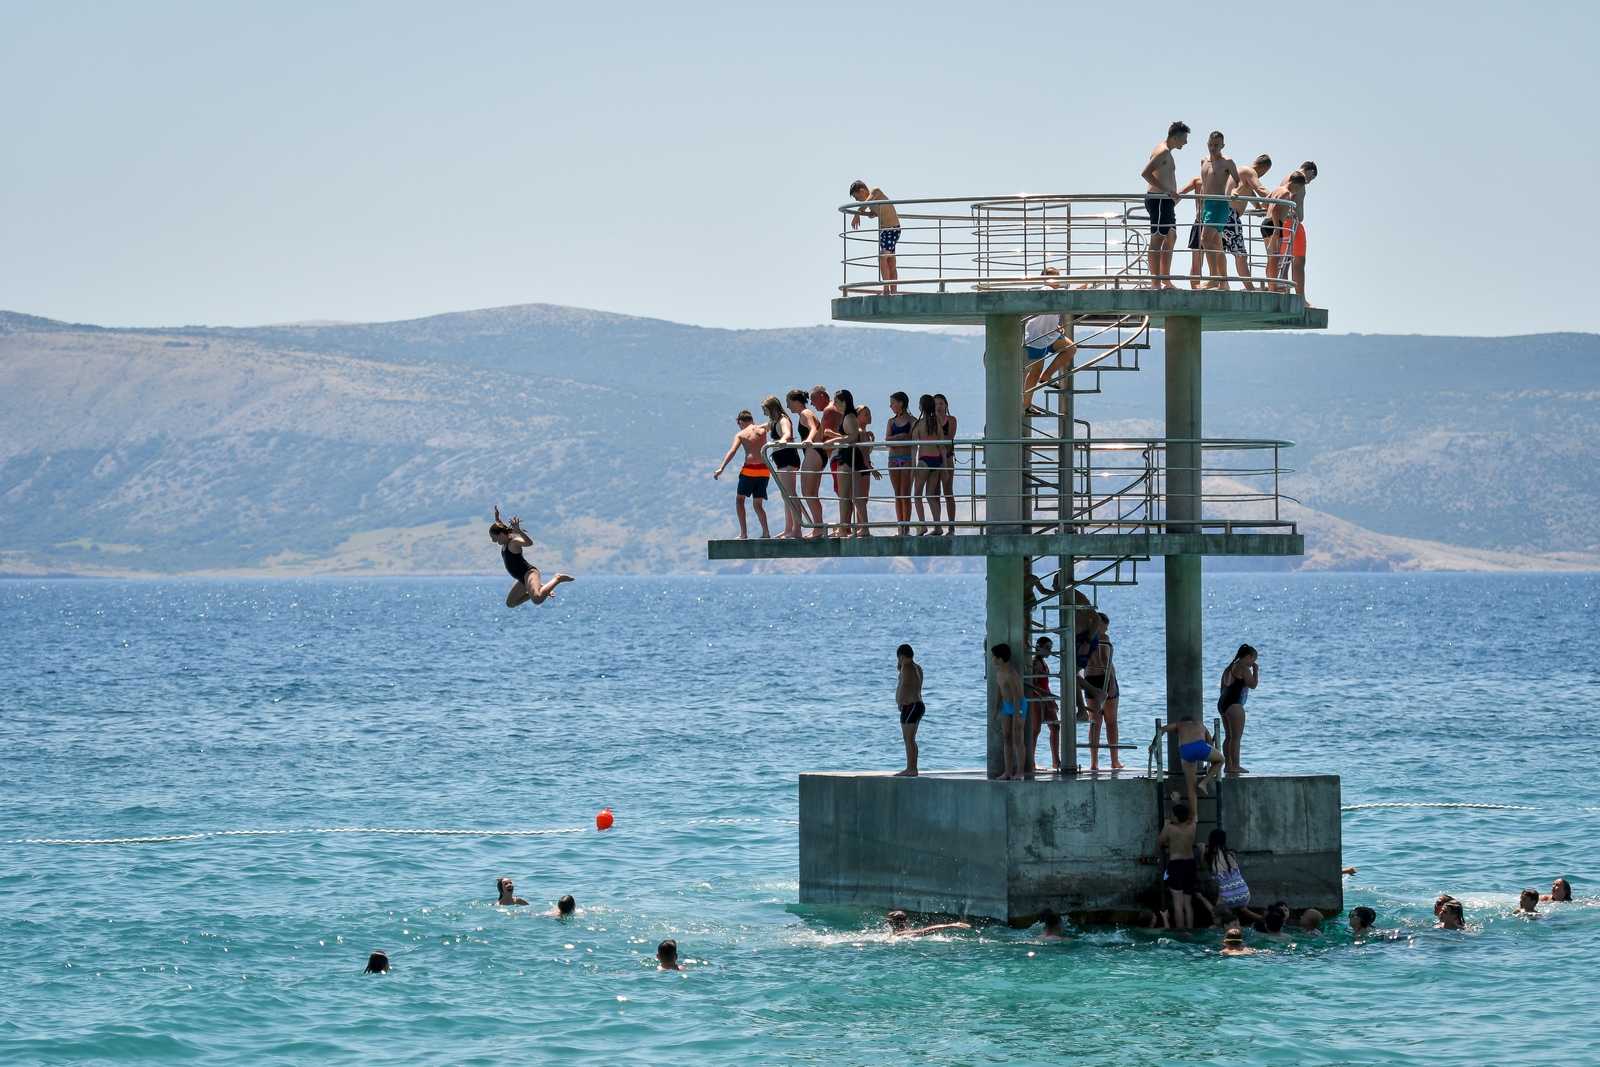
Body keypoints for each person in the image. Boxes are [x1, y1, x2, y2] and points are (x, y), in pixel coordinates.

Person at [489, 506, 574, 608]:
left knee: (537, 599)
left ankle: (557, 578)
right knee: (510, 603)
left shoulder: (513, 542)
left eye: (494, 538)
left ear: (501, 535)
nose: (493, 541)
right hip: (521, 578)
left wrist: (519, 531)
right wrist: (497, 520)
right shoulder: (504, 543)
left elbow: (529, 543)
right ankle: (540, 587)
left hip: (528, 574)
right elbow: (501, 529)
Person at [1140, 121, 1191, 289]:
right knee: (1158, 238)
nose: (1186, 142)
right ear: (1175, 137)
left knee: (1171, 236)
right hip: (1159, 200)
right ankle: (1156, 282)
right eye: (1184, 138)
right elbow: (1146, 173)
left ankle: (1165, 280)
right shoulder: (1162, 151)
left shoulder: (1167, 151)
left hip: (1165, 202)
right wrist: (1167, 191)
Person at [1022, 268, 1077, 414]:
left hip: (1050, 334)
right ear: (1046, 280)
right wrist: (1079, 290)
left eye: (1058, 277)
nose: (1058, 280)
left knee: (1070, 348)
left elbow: (1048, 314)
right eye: (1055, 278)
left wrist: (1056, 326)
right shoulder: (1046, 289)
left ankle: (1047, 376)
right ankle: (1026, 404)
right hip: (1037, 335)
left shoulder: (1052, 293)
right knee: (1035, 370)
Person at [712, 410, 773, 539]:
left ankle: (744, 534)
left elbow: (733, 450)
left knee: (740, 500)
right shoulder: (762, 428)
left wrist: (721, 468)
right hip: (765, 469)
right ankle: (766, 532)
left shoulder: (741, 434)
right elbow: (776, 421)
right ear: (752, 421)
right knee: (758, 504)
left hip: (750, 469)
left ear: (740, 422)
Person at [1159, 715, 1225, 814]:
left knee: (1191, 785)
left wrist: (1153, 744)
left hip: (1186, 750)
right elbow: (1211, 744)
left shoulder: (1179, 725)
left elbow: (1162, 729)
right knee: (1221, 760)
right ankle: (1204, 783)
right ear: (1193, 721)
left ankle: (1195, 816)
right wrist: (1211, 763)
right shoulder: (1200, 725)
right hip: (1201, 747)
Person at [1084, 612, 1124, 771]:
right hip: (1104, 678)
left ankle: (1094, 763)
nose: (1106, 630)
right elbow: (1107, 662)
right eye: (1105, 626)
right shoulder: (1104, 639)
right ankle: (1114, 761)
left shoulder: (1084, 639)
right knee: (1111, 722)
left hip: (1090, 680)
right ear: (1099, 624)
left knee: (1095, 723)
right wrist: (1112, 683)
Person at [1226, 153, 1273, 289]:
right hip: (1231, 216)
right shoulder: (1250, 172)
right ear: (1265, 169)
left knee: (1220, 252)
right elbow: (1261, 190)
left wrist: (1258, 207)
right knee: (1241, 254)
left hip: (1223, 214)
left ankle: (1221, 283)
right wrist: (1279, 200)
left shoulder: (1241, 171)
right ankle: (1250, 288)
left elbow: (1250, 193)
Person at [849, 180, 902, 294]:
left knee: (883, 257)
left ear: (862, 191)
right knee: (890, 261)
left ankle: (886, 290)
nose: (857, 201)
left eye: (857, 197)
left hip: (893, 229)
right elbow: (879, 209)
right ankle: (893, 291)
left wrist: (857, 214)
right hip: (884, 231)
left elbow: (865, 204)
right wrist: (874, 213)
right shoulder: (871, 203)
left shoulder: (875, 191)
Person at [763, 395, 803, 539]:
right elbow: (763, 427)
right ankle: (788, 529)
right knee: (785, 495)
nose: (764, 413)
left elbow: (787, 433)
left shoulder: (783, 419)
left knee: (791, 494)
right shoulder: (773, 421)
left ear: (772, 408)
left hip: (787, 459)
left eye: (765, 410)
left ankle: (797, 530)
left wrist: (784, 439)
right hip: (780, 461)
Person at [1218, 644, 1259, 776]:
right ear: (1247, 657)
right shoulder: (1242, 668)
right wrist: (1256, 671)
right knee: (1236, 736)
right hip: (1234, 704)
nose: (1254, 663)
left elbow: (1222, 689)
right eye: (1253, 660)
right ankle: (1235, 765)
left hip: (1223, 703)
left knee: (1229, 736)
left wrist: (1224, 704)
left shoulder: (1228, 669)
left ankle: (1228, 766)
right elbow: (1253, 685)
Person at [829, 389, 866, 537]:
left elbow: (852, 438)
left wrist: (834, 440)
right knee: (855, 495)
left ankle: (844, 529)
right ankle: (862, 527)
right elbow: (849, 435)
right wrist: (836, 436)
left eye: (836, 402)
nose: (834, 404)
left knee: (845, 495)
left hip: (848, 457)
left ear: (844, 402)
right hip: (851, 456)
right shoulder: (849, 417)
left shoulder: (850, 417)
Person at [989, 642, 1029, 780]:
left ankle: (1020, 772)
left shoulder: (1011, 673)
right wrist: (995, 709)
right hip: (1006, 706)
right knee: (1007, 737)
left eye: (993, 657)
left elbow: (1017, 696)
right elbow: (1000, 689)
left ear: (1000, 658)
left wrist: (1017, 716)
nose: (991, 659)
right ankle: (1007, 771)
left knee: (1017, 737)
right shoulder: (998, 671)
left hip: (1018, 706)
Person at [788, 389, 824, 537]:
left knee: (807, 492)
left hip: (813, 453)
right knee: (812, 493)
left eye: (789, 403)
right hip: (818, 454)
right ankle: (818, 526)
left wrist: (809, 438)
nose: (788, 407)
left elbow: (813, 428)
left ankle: (818, 526)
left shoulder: (805, 413)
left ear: (796, 402)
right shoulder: (808, 413)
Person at [1203, 828, 1260, 922]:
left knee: (1216, 914)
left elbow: (1204, 868)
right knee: (1237, 907)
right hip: (1244, 893)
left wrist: (1201, 851)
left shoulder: (1209, 857)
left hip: (1227, 896)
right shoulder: (1232, 854)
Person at [1158, 800, 1199, 928]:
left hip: (1176, 865)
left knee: (1178, 904)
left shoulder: (1170, 828)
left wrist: (1165, 825)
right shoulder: (1193, 825)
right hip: (1190, 865)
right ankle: (1190, 929)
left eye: (1172, 815)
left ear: (1175, 817)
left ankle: (1181, 933)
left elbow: (1160, 842)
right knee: (1188, 904)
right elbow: (1188, 817)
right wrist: (1178, 802)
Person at [911, 393, 946, 536]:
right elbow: (942, 446)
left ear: (922, 407)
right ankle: (938, 527)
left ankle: (923, 525)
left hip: (924, 460)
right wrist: (944, 466)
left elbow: (913, 447)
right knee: (931, 496)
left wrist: (913, 467)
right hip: (936, 460)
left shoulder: (918, 424)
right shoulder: (936, 423)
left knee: (917, 495)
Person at [884, 391, 916, 535]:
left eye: (893, 403)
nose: (891, 406)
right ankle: (900, 526)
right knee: (897, 493)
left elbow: (914, 438)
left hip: (907, 458)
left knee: (905, 493)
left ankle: (906, 527)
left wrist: (902, 437)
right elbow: (887, 440)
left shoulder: (912, 421)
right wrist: (901, 437)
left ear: (901, 403)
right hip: (893, 459)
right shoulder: (891, 421)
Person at [1028, 637, 1062, 773]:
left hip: (1044, 697)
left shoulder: (1043, 663)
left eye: (1051, 647)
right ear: (1040, 647)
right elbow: (1034, 684)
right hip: (1037, 698)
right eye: (1047, 647)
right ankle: (1031, 762)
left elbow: (1044, 685)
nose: (1050, 651)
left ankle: (1056, 760)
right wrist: (1046, 699)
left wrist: (1051, 698)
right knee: (1035, 730)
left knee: (1055, 726)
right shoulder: (1036, 662)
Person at [894, 643, 926, 777]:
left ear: (901, 656)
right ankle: (912, 768)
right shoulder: (917, 667)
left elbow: (906, 684)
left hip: (910, 705)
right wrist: (900, 672)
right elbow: (911, 682)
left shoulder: (907, 667)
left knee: (908, 738)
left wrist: (900, 700)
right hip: (918, 705)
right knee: (911, 738)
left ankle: (911, 768)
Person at [933, 394, 959, 534]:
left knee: (948, 492)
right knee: (935, 493)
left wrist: (936, 441)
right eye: (936, 404)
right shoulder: (930, 421)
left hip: (947, 458)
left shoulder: (951, 420)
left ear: (946, 405)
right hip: (933, 458)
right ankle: (937, 526)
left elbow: (949, 437)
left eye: (941, 403)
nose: (938, 407)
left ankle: (951, 527)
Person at [854, 404, 882, 530]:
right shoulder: (861, 433)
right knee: (862, 499)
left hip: (862, 467)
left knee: (861, 499)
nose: (869, 417)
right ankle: (861, 526)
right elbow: (865, 457)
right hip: (863, 468)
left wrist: (872, 439)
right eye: (866, 414)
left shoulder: (864, 434)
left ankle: (860, 526)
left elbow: (866, 452)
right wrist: (873, 470)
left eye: (869, 414)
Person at [886, 910, 972, 937]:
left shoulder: (889, 936)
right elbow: (924, 931)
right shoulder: (902, 934)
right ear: (906, 922)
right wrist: (951, 925)